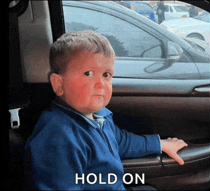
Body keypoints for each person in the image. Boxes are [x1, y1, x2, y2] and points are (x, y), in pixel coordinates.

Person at [24, 30, 188, 190]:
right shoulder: (58, 137)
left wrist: (159, 144)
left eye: (106, 74)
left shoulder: (100, 115)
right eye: (88, 73)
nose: (100, 83)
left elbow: (120, 141)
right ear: (58, 84)